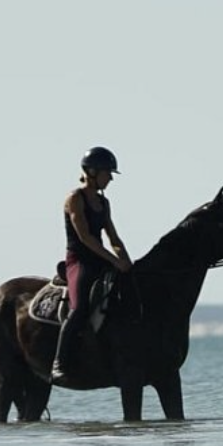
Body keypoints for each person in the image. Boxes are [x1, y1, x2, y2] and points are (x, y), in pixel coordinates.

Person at [53, 146, 133, 381]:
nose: (110, 178)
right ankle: (59, 362)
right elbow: (86, 237)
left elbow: (114, 238)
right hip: (80, 260)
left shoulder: (103, 202)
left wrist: (127, 263)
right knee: (79, 309)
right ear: (92, 171)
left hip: (101, 259)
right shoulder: (74, 198)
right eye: (108, 173)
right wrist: (113, 260)